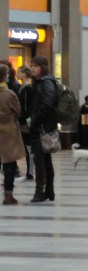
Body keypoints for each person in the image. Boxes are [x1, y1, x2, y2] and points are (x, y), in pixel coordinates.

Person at [28, 55, 58, 203]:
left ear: (43, 68)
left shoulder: (46, 83)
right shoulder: (41, 82)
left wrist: (35, 120)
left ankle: (40, 191)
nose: (32, 68)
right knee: (46, 159)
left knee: (40, 160)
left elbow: (47, 104)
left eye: (36, 65)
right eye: (32, 65)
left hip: (42, 128)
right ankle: (49, 191)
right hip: (43, 127)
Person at [0, 62, 26, 205]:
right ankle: (8, 195)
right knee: (9, 165)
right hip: (8, 133)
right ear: (5, 76)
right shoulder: (10, 94)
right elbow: (18, 112)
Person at [15, 65, 34, 182]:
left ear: (25, 74)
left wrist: (22, 119)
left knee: (29, 147)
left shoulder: (27, 88)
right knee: (27, 148)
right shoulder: (23, 87)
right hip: (24, 122)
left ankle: (30, 172)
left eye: (19, 72)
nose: (17, 74)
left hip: (26, 123)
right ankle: (29, 171)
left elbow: (26, 107)